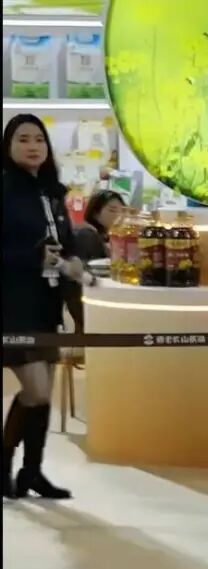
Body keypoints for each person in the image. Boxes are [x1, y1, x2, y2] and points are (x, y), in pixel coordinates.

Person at [2, 114, 88, 500]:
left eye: (39, 139)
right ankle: (4, 464)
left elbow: (64, 241)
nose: (32, 146)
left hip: (46, 302)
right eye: (22, 139)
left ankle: (32, 472)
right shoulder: (6, 189)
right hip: (13, 303)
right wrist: (34, 258)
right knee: (34, 391)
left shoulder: (53, 192)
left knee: (44, 395)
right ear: (8, 145)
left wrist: (73, 260)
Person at [66, 190, 126, 332]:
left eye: (122, 211)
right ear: (95, 213)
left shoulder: (105, 236)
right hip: (87, 303)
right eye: (112, 210)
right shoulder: (86, 234)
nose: (119, 215)